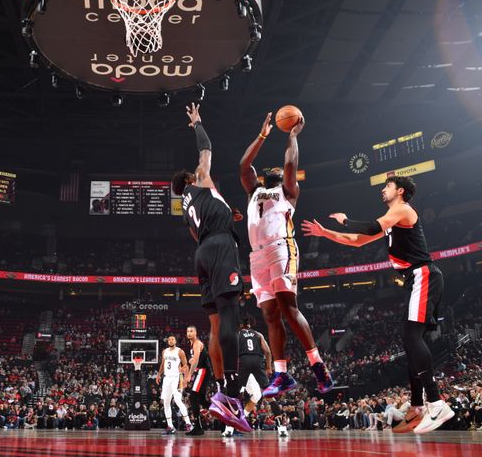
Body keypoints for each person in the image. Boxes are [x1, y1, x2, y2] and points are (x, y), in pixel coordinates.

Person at [301, 175, 454, 434]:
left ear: (400, 190)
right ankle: (417, 406)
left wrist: (346, 220)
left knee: (411, 337)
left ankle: (437, 402)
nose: (383, 190)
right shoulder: (392, 218)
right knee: (409, 340)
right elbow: (357, 241)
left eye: (388, 186)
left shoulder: (402, 209)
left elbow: (370, 228)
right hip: (414, 278)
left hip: (423, 274)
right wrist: (325, 233)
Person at [239, 111, 334, 396]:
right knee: (269, 314)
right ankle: (281, 374)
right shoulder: (254, 191)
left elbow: (290, 163)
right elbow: (244, 166)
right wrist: (262, 135)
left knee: (288, 308)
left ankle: (318, 366)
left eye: (278, 172)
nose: (276, 171)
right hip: (257, 256)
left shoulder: (288, 192)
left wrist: (292, 136)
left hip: (282, 248)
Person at [171, 102, 250, 432]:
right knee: (231, 316)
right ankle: (232, 393)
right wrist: (197, 123)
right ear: (190, 178)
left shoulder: (187, 205)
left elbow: (199, 230)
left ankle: (218, 388)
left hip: (202, 252)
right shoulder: (201, 178)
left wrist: (224, 215)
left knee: (216, 328)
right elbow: (207, 148)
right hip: (219, 248)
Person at [222, 315, 282, 437]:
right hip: (258, 362)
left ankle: (230, 427)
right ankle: (282, 427)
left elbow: (231, 353)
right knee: (267, 394)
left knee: (235, 394)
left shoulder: (237, 335)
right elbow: (268, 351)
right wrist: (269, 367)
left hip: (243, 363)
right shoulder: (258, 334)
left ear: (240, 325)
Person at [156, 335, 191, 434]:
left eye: (172, 339)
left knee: (177, 401)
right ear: (167, 341)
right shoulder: (164, 351)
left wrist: (185, 378)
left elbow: (185, 365)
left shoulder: (180, 351)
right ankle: (170, 426)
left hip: (177, 378)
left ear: (175, 341)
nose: (170, 340)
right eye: (169, 339)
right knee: (166, 403)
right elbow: (163, 364)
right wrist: (159, 374)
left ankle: (188, 423)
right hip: (167, 378)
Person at [184, 325, 211, 436]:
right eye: (188, 331)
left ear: (196, 333)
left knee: (193, 396)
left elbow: (195, 361)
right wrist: (192, 361)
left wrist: (189, 374)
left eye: (191, 331)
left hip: (203, 371)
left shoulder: (197, 343)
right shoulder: (192, 345)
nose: (189, 333)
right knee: (202, 400)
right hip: (201, 371)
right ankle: (223, 417)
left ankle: (198, 428)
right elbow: (194, 360)